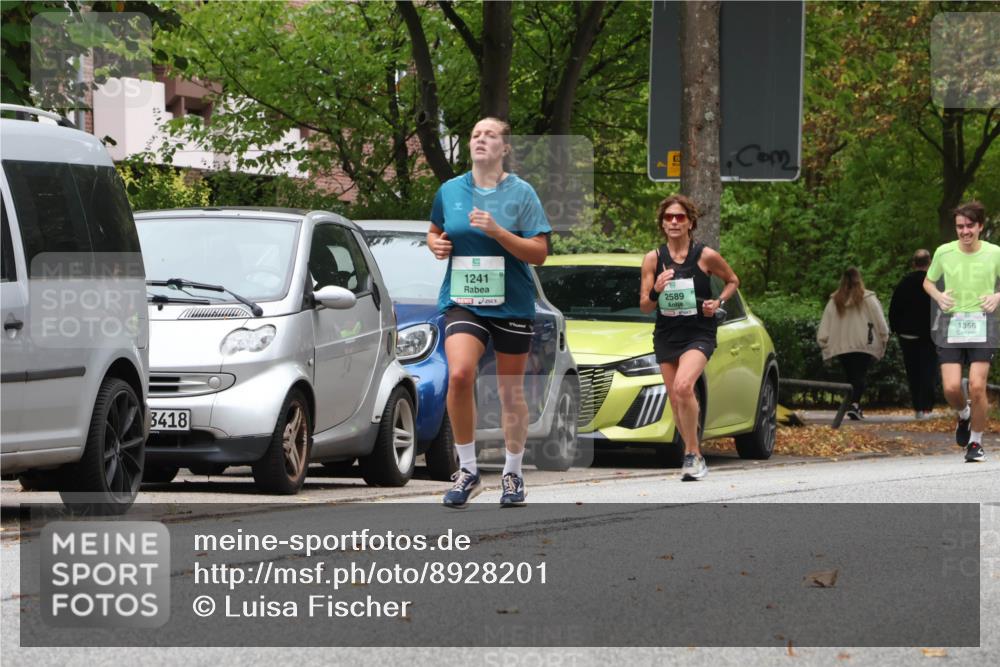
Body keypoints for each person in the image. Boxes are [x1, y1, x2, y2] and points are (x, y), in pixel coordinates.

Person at [427, 117, 551, 507]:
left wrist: (498, 232)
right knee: (460, 374)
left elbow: (540, 253)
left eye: (491, 135)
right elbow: (434, 231)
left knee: (509, 391)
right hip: (464, 300)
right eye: (475, 133)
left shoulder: (522, 193)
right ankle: (467, 471)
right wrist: (436, 245)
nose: (481, 139)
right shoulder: (450, 190)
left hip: (512, 302)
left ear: (505, 148)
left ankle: (512, 474)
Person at [639, 195, 739, 481]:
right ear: (661, 223)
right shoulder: (652, 259)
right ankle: (693, 455)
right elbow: (646, 305)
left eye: (679, 217)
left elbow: (733, 280)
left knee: (684, 386)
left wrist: (718, 301)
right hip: (667, 333)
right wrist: (657, 290)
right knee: (675, 397)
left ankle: (693, 453)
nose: (673, 222)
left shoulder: (705, 255)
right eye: (668, 217)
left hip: (698, 331)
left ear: (690, 223)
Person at [923, 201, 999, 463]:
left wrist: (997, 296)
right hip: (951, 323)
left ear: (980, 226)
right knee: (952, 387)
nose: (965, 231)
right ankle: (964, 414)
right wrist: (938, 295)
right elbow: (928, 281)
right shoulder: (944, 252)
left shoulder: (994, 253)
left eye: (969, 226)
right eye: (960, 227)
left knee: (977, 386)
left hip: (983, 323)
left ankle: (976, 443)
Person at [816, 268, 890, 419]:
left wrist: (824, 343)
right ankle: (854, 405)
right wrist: (884, 338)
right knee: (860, 374)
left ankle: (851, 404)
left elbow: (826, 323)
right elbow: (880, 321)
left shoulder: (835, 300)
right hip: (865, 342)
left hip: (842, 344)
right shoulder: (868, 298)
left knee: (850, 375)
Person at [889, 249, 938, 419]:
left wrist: (896, 328)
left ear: (913, 264)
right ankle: (927, 407)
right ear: (929, 263)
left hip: (907, 335)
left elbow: (894, 308)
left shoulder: (904, 283)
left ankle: (917, 407)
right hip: (929, 335)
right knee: (928, 370)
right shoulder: (933, 284)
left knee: (913, 371)